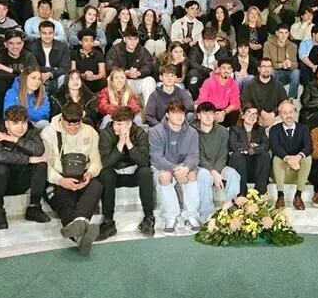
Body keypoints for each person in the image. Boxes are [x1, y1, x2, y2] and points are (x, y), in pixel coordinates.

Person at [41, 102, 103, 254]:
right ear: (62, 119)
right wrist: (61, 180)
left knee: (97, 186)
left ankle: (79, 225)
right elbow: (44, 165)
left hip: (82, 176)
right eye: (69, 125)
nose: (74, 128)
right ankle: (80, 233)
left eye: (77, 124)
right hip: (58, 179)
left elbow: (96, 161)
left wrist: (90, 173)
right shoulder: (48, 133)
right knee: (65, 202)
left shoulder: (90, 132)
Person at [0, 105, 48, 230]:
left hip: (19, 181)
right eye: (15, 123)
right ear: (7, 124)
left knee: (41, 164)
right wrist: (28, 159)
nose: (21, 127)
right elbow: (0, 156)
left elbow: (39, 150)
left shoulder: (31, 132)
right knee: (0, 168)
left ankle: (34, 207)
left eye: (23, 123)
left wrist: (14, 139)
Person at [97, 106, 156, 240]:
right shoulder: (106, 134)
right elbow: (106, 163)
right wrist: (120, 144)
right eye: (114, 123)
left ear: (129, 124)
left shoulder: (139, 133)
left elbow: (143, 162)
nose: (115, 127)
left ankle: (149, 218)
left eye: (120, 124)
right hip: (114, 175)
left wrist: (129, 144)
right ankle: (108, 222)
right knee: (106, 174)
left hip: (133, 173)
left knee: (145, 172)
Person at [149, 100, 201, 233]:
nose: (179, 116)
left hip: (183, 166)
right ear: (167, 115)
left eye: (182, 113)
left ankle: (191, 216)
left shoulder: (192, 132)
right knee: (164, 176)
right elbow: (156, 157)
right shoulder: (156, 131)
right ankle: (171, 217)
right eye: (175, 113)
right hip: (163, 166)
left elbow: (194, 155)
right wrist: (174, 170)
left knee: (192, 173)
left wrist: (186, 168)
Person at [195, 102, 242, 222]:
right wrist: (213, 172)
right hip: (202, 167)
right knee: (204, 175)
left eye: (211, 113)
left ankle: (231, 210)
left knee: (233, 174)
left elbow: (223, 153)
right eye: (204, 113)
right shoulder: (193, 132)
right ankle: (207, 213)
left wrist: (216, 172)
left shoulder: (223, 131)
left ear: (215, 115)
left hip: (219, 166)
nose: (208, 117)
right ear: (198, 115)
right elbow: (199, 156)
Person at [269, 100, 313, 210]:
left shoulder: (303, 128)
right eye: (284, 113)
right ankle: (280, 195)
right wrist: (288, 159)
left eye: (291, 112)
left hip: (297, 173)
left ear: (295, 113)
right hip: (281, 173)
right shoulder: (274, 129)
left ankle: (298, 195)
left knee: (307, 158)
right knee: (277, 158)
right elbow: (275, 147)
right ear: (280, 115)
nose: (288, 116)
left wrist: (298, 157)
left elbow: (309, 146)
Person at [0, 28, 38, 114]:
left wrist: (10, 70)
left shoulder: (29, 56)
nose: (15, 47)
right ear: (5, 44)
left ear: (23, 44)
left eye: (18, 43)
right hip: (5, 86)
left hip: (23, 86)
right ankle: (1, 115)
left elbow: (34, 74)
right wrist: (22, 74)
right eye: (11, 43)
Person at [105, 26, 156, 106]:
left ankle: (149, 112)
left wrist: (139, 73)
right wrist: (125, 72)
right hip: (121, 81)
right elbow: (110, 66)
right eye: (130, 39)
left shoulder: (142, 51)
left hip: (136, 81)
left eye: (135, 39)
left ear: (138, 40)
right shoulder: (115, 50)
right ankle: (115, 110)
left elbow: (149, 65)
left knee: (150, 80)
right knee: (109, 79)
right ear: (124, 39)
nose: (133, 42)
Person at [186, 27, 232, 99]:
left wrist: (218, 66)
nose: (210, 44)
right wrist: (208, 71)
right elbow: (192, 63)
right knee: (192, 74)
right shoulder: (196, 48)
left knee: (228, 74)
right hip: (201, 74)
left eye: (212, 41)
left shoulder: (221, 49)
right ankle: (197, 99)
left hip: (215, 75)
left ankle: (220, 99)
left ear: (215, 39)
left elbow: (226, 64)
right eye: (207, 41)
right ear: (202, 39)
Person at [241, 58, 288, 127]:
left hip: (274, 118)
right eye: (263, 66)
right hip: (256, 116)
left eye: (269, 66)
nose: (266, 69)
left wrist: (273, 113)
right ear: (259, 69)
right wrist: (260, 112)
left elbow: (284, 102)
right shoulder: (251, 84)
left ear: (272, 69)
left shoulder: (278, 85)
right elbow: (245, 103)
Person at [27, 20, 70, 93]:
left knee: (65, 78)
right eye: (44, 33)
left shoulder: (63, 47)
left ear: (54, 33)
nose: (47, 36)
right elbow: (32, 67)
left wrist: (50, 74)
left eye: (50, 33)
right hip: (39, 78)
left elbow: (65, 68)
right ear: (39, 33)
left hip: (57, 78)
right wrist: (54, 69)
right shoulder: (31, 47)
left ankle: (58, 99)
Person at [195, 59, 240, 127]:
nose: (226, 71)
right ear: (218, 69)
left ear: (231, 70)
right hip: (209, 109)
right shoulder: (208, 82)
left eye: (229, 68)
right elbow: (202, 100)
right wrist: (212, 113)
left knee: (235, 113)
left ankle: (229, 131)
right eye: (223, 68)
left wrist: (224, 112)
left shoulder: (234, 84)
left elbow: (235, 104)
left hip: (224, 111)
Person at [264, 23, 300, 98]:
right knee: (269, 70)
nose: (284, 36)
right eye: (281, 32)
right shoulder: (267, 44)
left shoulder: (293, 46)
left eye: (286, 33)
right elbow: (266, 63)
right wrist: (280, 65)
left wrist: (290, 64)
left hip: (286, 73)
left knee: (296, 72)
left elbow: (295, 64)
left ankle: (292, 98)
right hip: (273, 72)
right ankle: (271, 97)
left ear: (288, 34)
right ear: (276, 33)